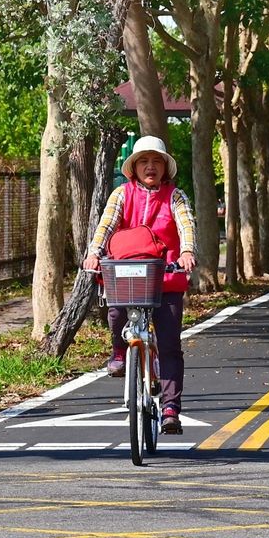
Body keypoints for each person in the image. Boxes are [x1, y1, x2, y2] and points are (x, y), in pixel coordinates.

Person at [83, 135, 197, 434]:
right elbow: (106, 226)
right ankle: (120, 352)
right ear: (133, 167)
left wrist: (186, 251)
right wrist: (94, 254)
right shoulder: (121, 194)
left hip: (166, 277)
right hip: (126, 276)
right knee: (116, 312)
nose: (150, 167)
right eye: (144, 161)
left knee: (170, 344)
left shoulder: (176, 196)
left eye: (156, 161)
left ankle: (171, 407)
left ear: (165, 168)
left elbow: (186, 224)